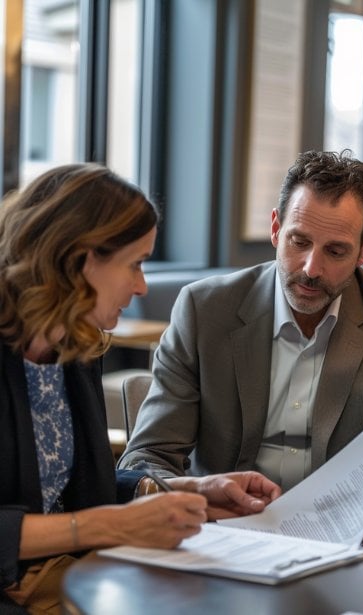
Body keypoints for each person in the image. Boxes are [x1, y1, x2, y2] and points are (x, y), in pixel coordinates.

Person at [0, 163, 281, 613]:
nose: (141, 285)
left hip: (65, 573)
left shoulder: (75, 346)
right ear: (80, 260)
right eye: (135, 264)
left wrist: (187, 490)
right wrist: (107, 527)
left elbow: (76, 489)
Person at [119, 149, 363, 533]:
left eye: (335, 251)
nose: (311, 268)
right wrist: (196, 497)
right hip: (223, 533)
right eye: (299, 241)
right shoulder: (203, 311)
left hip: (347, 542)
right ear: (275, 228)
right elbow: (146, 458)